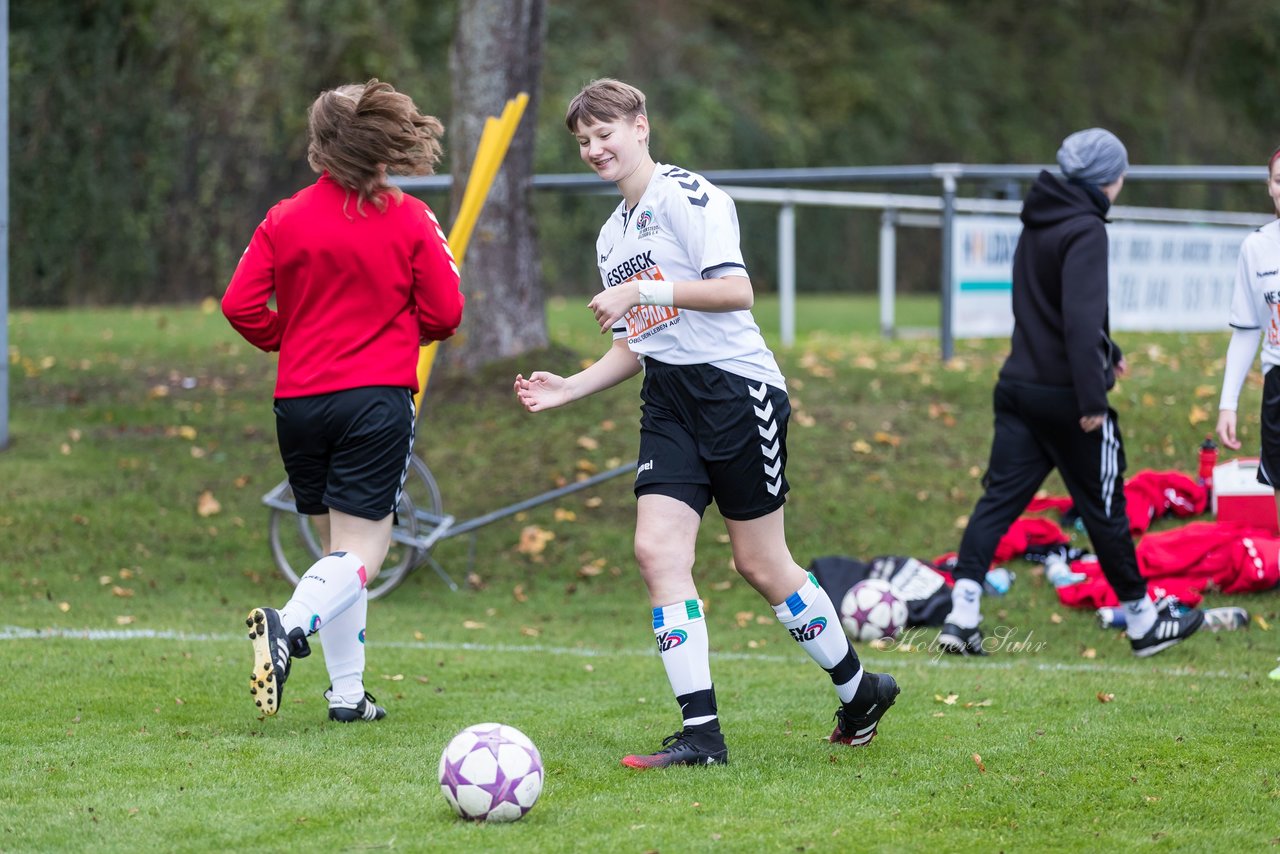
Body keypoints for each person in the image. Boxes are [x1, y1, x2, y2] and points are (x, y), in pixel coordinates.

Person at [514, 78, 898, 768]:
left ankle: (860, 690)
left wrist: (644, 288)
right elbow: (636, 344)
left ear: (641, 126)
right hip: (668, 400)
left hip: (737, 392)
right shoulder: (612, 235)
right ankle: (703, 736)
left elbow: (735, 290)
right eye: (583, 142)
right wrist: (568, 387)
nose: (595, 149)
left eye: (605, 134)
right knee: (657, 553)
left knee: (760, 562)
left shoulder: (690, 197)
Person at [222, 79, 464, 721]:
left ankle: (349, 697)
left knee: (338, 554)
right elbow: (446, 312)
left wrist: (290, 338)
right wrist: (391, 333)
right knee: (365, 554)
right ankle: (288, 624)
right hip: (375, 400)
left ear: (320, 146)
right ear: (380, 146)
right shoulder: (410, 217)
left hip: (298, 403)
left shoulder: (283, 217)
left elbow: (237, 304)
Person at [938, 128, 1204, 658]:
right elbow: (1079, 323)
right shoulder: (1087, 229)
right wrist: (1092, 400)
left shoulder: (1038, 220)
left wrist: (1109, 350)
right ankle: (1144, 622)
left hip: (1018, 387)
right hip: (1067, 399)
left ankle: (961, 617)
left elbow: (1052, 312)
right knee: (1106, 509)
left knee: (997, 502)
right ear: (1112, 177)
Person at [1214, 144, 1280, 681]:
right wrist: (1228, 403)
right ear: (1269, 186)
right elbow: (1246, 333)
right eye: (1279, 180)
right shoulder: (1256, 249)